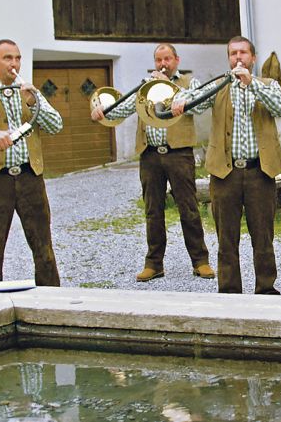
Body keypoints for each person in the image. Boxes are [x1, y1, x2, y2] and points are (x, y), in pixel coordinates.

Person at [171, 36, 281, 294]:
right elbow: (194, 101)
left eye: (243, 52)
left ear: (253, 58)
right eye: (233, 53)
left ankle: (266, 290)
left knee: (263, 237)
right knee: (226, 239)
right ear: (228, 58)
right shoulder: (219, 86)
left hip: (260, 172)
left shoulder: (267, 85)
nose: (238, 57)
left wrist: (251, 84)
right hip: (225, 173)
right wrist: (180, 98)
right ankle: (229, 292)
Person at [91, 43, 213, 282]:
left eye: (167, 59)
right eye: (159, 60)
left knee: (188, 208)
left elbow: (198, 104)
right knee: (153, 210)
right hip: (150, 155)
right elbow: (124, 108)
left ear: (176, 60)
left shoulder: (188, 83)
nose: (163, 64)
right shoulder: (145, 85)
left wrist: (170, 88)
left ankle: (200, 261)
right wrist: (103, 112)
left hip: (179, 154)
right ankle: (154, 264)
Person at [0, 39, 63, 290]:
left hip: (30, 177)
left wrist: (33, 102)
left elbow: (56, 125)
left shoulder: (29, 92)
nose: (15, 63)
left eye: (18, 58)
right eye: (8, 58)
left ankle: (52, 300)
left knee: (43, 245)